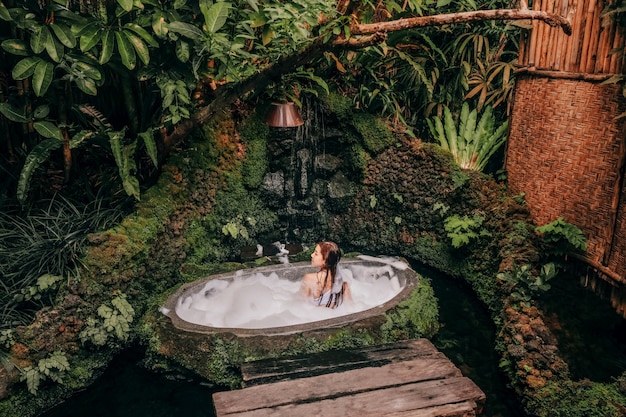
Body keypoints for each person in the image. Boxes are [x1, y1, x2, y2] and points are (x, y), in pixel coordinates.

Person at [300, 241, 351, 308]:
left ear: (325, 260)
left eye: (316, 254)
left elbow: (301, 306)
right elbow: (351, 308)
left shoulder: (309, 279)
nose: (311, 255)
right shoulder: (343, 284)